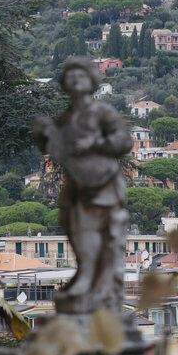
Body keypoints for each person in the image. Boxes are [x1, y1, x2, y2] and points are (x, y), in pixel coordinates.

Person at [33, 58, 132, 314]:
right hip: (76, 182)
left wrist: (95, 144)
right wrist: (44, 137)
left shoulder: (102, 112)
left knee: (87, 227)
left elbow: (124, 141)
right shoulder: (65, 118)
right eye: (71, 76)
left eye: (81, 76)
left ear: (91, 82)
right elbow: (58, 151)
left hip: (101, 182)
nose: (76, 80)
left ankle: (90, 278)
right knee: (73, 228)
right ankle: (85, 273)